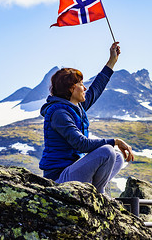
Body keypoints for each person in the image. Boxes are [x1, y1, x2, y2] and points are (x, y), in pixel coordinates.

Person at [39, 42, 134, 194]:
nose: (85, 88)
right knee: (107, 151)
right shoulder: (58, 113)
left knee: (117, 157)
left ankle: (93, 192)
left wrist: (111, 62)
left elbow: (96, 88)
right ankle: (98, 196)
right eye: (81, 84)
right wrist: (115, 141)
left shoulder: (76, 107)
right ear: (71, 88)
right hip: (59, 178)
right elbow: (81, 144)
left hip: (74, 171)